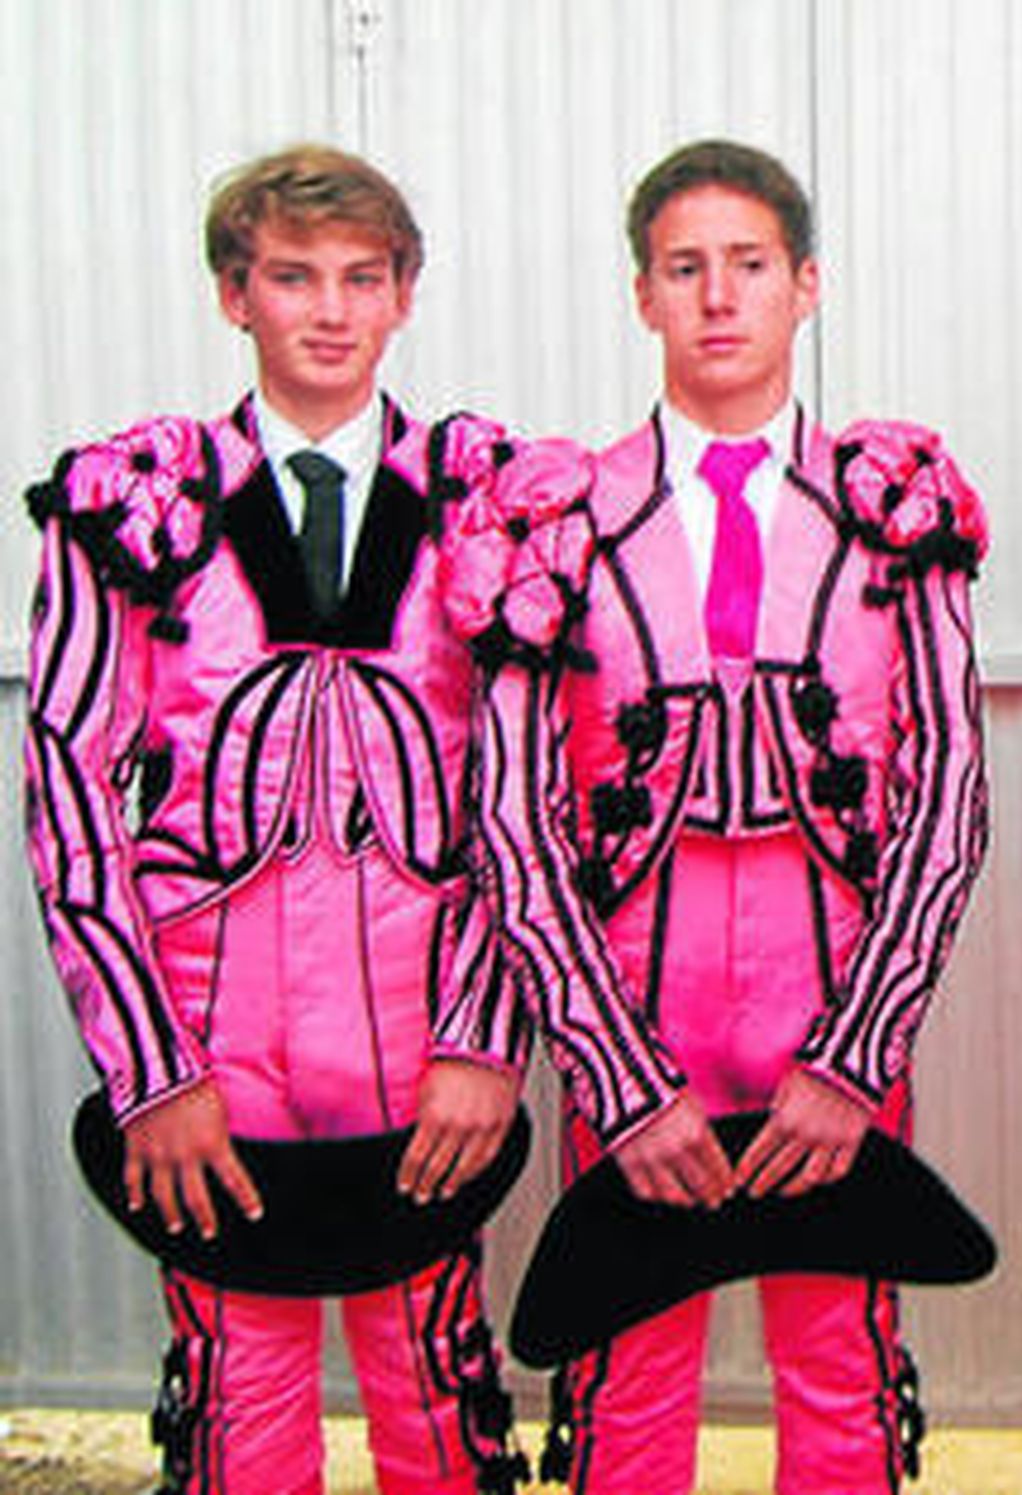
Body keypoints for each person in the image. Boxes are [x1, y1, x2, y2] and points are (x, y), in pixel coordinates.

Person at [22, 143, 638, 1495]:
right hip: (207, 1039)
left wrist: (487, 1040)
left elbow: (528, 801)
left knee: (435, 1382)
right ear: (234, 297)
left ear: (405, 296)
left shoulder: (498, 499)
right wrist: (149, 1072)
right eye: (292, 278)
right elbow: (68, 797)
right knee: (238, 1395)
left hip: (423, 1036)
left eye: (363, 278)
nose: (330, 310)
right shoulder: (135, 507)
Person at [464, 138, 988, 1495]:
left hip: (835, 998)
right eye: (685, 269)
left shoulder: (893, 507)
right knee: (626, 1368)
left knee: (843, 1362)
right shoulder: (556, 511)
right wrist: (618, 1081)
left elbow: (950, 798)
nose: (717, 298)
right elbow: (514, 821)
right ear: (642, 295)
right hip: (638, 1006)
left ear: (805, 285)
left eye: (748, 266)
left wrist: (857, 1055)